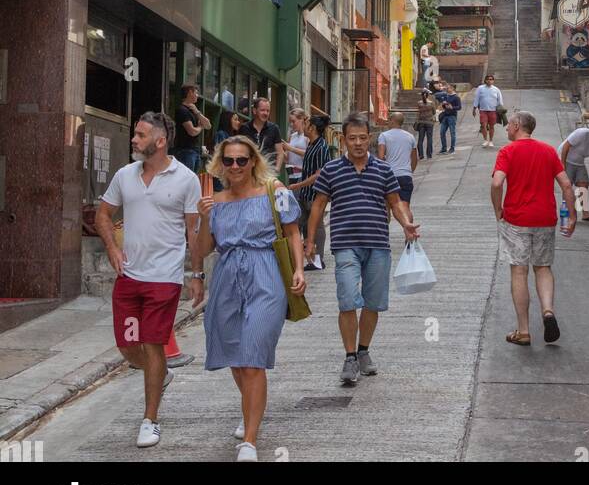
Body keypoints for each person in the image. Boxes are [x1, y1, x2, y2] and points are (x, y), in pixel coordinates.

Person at [94, 112, 202, 450]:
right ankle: (161, 375)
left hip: (164, 279)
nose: (133, 139)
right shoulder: (125, 175)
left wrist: (196, 274)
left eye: (140, 135)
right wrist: (112, 247)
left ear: (160, 140)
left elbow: (193, 230)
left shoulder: (186, 179)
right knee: (128, 347)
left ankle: (150, 419)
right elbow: (102, 214)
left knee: (154, 344)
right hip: (128, 276)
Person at [197, 137, 305, 462]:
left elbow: (293, 232)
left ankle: (249, 439)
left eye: (241, 160)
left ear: (253, 161)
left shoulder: (277, 193)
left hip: (266, 274)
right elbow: (202, 250)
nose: (234, 167)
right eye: (228, 161)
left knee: (253, 355)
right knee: (236, 354)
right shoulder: (215, 202)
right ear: (220, 164)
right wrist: (203, 219)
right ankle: (251, 409)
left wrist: (299, 268)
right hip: (227, 277)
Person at [305, 114, 419, 387]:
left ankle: (364, 350)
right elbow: (318, 206)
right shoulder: (331, 170)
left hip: (378, 244)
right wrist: (309, 240)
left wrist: (406, 224)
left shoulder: (383, 169)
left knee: (372, 302)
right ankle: (350, 356)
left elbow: (395, 202)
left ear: (370, 139)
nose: (357, 143)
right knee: (347, 300)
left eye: (362, 138)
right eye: (352, 138)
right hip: (345, 245)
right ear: (343, 140)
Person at [491, 112, 578, 346]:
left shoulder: (507, 152)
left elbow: (497, 182)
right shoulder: (548, 151)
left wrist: (497, 208)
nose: (507, 128)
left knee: (519, 271)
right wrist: (572, 214)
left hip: (517, 219)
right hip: (545, 218)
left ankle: (523, 331)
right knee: (543, 267)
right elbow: (566, 184)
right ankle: (548, 311)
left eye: (509, 125)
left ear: (517, 126)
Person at [291, 112, 332, 272]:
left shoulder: (321, 146)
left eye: (307, 124)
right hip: (306, 193)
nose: (304, 126)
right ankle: (307, 256)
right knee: (302, 224)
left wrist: (298, 185)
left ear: (312, 128)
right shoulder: (311, 144)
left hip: (316, 193)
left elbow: (318, 174)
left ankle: (318, 259)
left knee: (317, 224)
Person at [376, 111, 419, 222]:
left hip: (389, 177)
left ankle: (385, 234)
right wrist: (409, 171)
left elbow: (380, 158)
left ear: (392, 121)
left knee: (386, 207)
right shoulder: (410, 137)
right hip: (406, 176)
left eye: (388, 120)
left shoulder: (384, 136)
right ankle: (411, 234)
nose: (387, 123)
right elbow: (415, 159)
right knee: (405, 208)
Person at [239, 95, 285, 171]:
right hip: (249, 170)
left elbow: (280, 152)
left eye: (268, 111)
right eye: (262, 110)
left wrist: (277, 169)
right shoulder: (244, 128)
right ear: (254, 110)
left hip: (267, 171)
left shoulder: (274, 128)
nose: (266, 113)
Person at [173, 83, 211, 172]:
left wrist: (197, 112)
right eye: (196, 93)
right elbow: (192, 131)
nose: (197, 96)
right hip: (185, 151)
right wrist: (200, 127)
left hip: (195, 151)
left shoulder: (194, 110)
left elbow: (208, 125)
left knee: (193, 180)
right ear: (190, 92)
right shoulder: (182, 110)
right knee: (186, 180)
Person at [214, 110, 244, 194]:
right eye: (235, 119)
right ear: (227, 120)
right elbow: (220, 153)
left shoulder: (232, 137)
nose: (238, 122)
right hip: (222, 173)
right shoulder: (221, 134)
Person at [472, 73, 504, 148]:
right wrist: (474, 109)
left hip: (493, 111)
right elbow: (477, 99)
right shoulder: (480, 88)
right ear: (485, 80)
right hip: (483, 110)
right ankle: (485, 140)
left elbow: (500, 101)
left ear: (493, 81)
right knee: (483, 125)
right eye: (488, 79)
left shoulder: (496, 90)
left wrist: (501, 110)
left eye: (491, 79)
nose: (489, 81)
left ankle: (491, 141)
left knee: (492, 126)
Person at [284, 108, 309, 187]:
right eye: (290, 122)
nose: (291, 124)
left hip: (303, 176)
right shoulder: (292, 136)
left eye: (293, 121)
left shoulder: (307, 136)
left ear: (301, 119)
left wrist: (291, 148)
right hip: (291, 176)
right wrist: (280, 149)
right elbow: (287, 159)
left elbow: (309, 154)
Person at [438, 84, 462, 154]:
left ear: (453, 89)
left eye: (449, 88)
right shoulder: (446, 96)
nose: (447, 89)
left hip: (452, 116)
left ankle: (452, 148)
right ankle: (444, 148)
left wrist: (452, 107)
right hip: (445, 116)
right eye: (447, 88)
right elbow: (444, 106)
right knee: (442, 132)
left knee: (452, 133)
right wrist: (443, 104)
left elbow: (459, 107)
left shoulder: (456, 97)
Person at [415, 89, 436, 160]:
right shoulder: (431, 103)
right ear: (428, 95)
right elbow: (434, 112)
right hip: (429, 122)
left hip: (421, 122)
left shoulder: (419, 103)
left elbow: (418, 112)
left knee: (420, 139)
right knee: (429, 138)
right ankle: (429, 155)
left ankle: (421, 155)